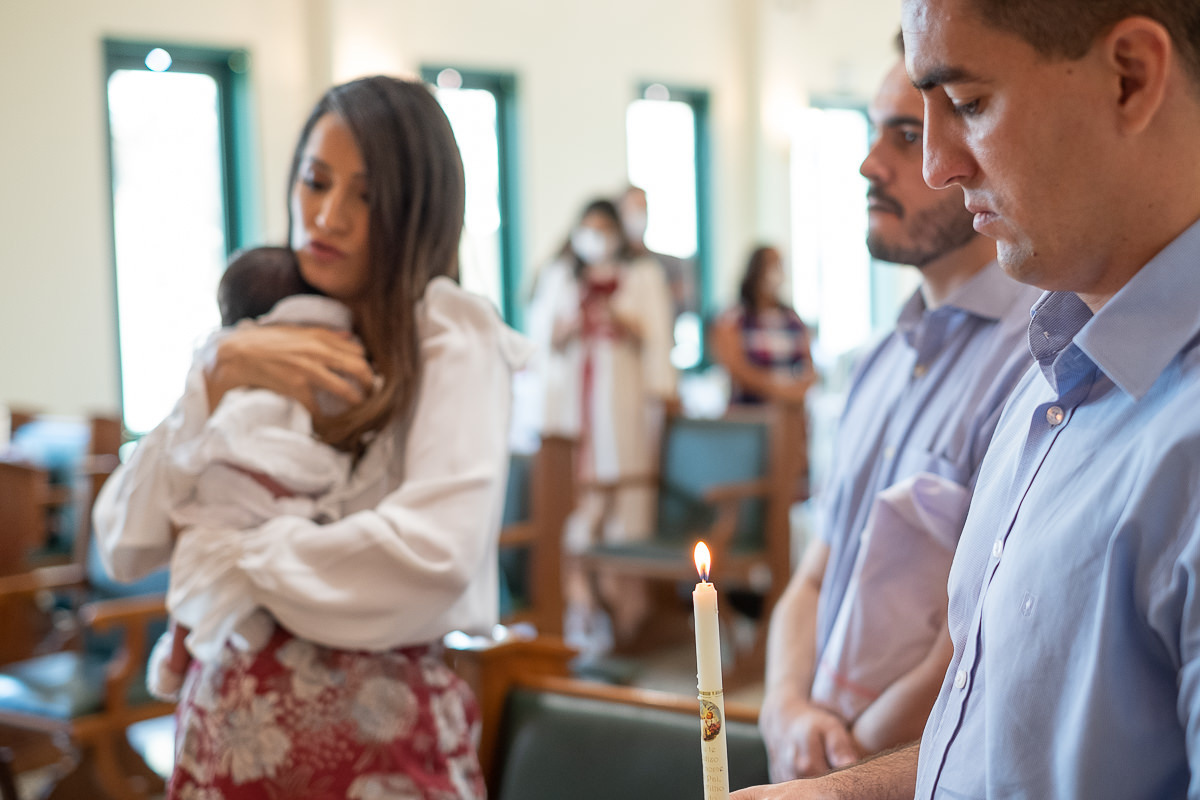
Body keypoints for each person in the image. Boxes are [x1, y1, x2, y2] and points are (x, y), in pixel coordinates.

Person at [735, 0, 1200, 797]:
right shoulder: (1052, 371)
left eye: (969, 104)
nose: (935, 168)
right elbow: (999, 747)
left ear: (1129, 77)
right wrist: (834, 791)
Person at [95, 76, 531, 799]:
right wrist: (214, 378)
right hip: (223, 745)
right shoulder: (260, 327)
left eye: (367, 197)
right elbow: (124, 542)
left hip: (373, 754)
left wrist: (232, 557)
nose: (328, 218)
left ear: (418, 210)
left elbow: (431, 557)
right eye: (315, 182)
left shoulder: (450, 336)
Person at [755, 46, 1041, 784]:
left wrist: (841, 764)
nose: (869, 165)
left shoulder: (1037, 359)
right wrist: (785, 706)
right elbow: (816, 573)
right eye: (875, 132)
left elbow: (979, 637)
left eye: (905, 138)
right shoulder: (879, 359)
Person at [148, 245, 357, 702]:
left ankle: (175, 660)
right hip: (303, 485)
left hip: (238, 481)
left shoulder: (224, 356)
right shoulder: (334, 336)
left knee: (196, 556)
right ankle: (246, 618)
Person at [528, 197, 675, 654]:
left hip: (622, 401)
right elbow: (541, 341)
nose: (595, 238)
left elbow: (657, 340)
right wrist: (571, 326)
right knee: (578, 510)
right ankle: (581, 605)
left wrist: (620, 320)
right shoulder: (561, 277)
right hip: (576, 405)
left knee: (624, 504)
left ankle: (626, 613)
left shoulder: (641, 276)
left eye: (603, 228)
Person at [711, 245, 817, 406]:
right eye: (771, 264)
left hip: (791, 413)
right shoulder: (733, 319)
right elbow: (737, 370)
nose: (777, 271)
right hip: (750, 413)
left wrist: (798, 389)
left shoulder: (793, 319)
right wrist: (779, 389)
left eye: (780, 264)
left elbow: (809, 367)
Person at [617, 185, 698, 321]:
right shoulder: (611, 266)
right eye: (633, 209)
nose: (639, 214)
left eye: (643, 209)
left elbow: (688, 299)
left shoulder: (670, 264)